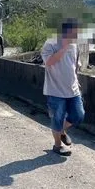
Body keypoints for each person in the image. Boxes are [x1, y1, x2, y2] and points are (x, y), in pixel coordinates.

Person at [40, 19, 85, 156]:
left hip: (72, 89)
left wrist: (76, 80)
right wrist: (64, 47)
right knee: (57, 118)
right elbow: (49, 62)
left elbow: (75, 65)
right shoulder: (51, 43)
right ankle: (57, 145)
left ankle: (61, 132)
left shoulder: (75, 46)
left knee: (79, 115)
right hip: (55, 90)